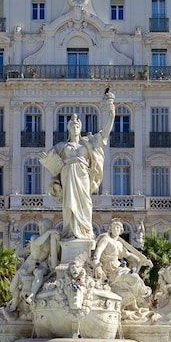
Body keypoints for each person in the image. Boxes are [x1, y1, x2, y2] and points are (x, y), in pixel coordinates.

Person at [40, 91, 115, 240]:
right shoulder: (61, 146)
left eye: (77, 126)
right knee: (68, 206)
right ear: (68, 128)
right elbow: (53, 164)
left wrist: (111, 111)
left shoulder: (88, 142)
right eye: (72, 125)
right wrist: (47, 160)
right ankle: (70, 233)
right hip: (67, 174)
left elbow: (105, 133)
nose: (75, 127)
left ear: (80, 128)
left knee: (86, 204)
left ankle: (85, 233)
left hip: (83, 175)